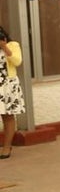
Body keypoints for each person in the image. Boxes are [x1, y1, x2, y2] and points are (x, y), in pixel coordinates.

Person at [0, 26, 26, 159]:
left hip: (8, 85)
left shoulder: (13, 45)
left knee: (8, 117)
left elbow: (17, 61)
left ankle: (6, 147)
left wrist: (5, 47)